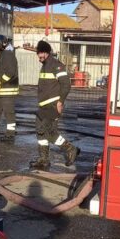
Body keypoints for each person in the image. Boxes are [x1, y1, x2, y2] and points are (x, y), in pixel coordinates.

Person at [30, 40, 80, 171]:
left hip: (52, 105)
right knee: (40, 133)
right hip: (43, 106)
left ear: (46, 53)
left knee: (49, 133)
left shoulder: (56, 65)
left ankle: (71, 149)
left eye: (41, 54)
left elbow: (66, 85)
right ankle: (44, 159)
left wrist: (60, 102)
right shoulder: (45, 65)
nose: (39, 58)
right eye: (38, 55)